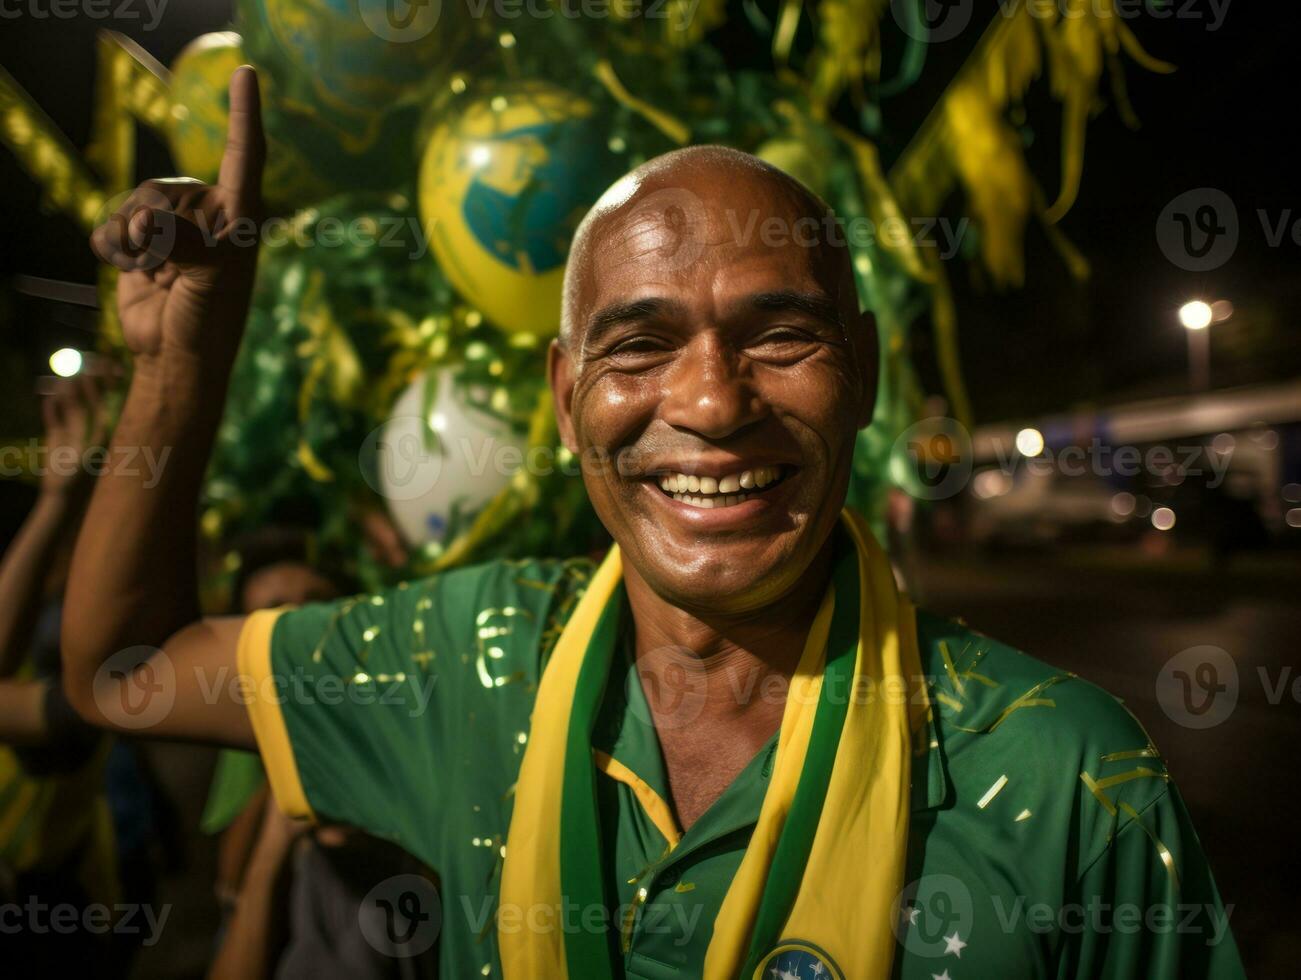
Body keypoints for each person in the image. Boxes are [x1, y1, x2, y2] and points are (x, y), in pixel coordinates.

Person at [63, 68, 1244, 979]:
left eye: (780, 335)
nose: (711, 402)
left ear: (868, 373)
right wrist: (179, 363)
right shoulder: (468, 661)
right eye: (637, 345)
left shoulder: (1064, 773)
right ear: (563, 395)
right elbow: (124, 674)